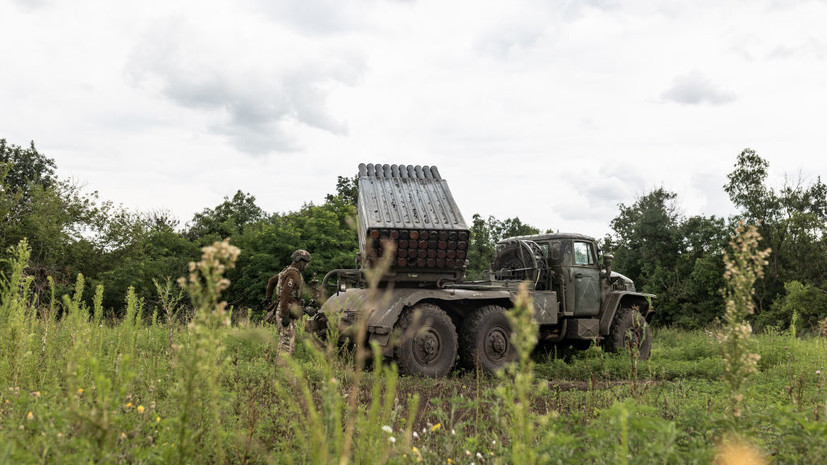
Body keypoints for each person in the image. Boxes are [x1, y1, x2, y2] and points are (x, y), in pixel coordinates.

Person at [264, 249, 311, 355]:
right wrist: (284, 314)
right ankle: (281, 368)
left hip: (285, 307)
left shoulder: (286, 271)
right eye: (306, 262)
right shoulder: (293, 274)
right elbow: (285, 294)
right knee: (286, 343)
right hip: (286, 309)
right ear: (300, 261)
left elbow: (271, 281)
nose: (307, 265)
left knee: (288, 342)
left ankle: (285, 368)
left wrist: (268, 299)